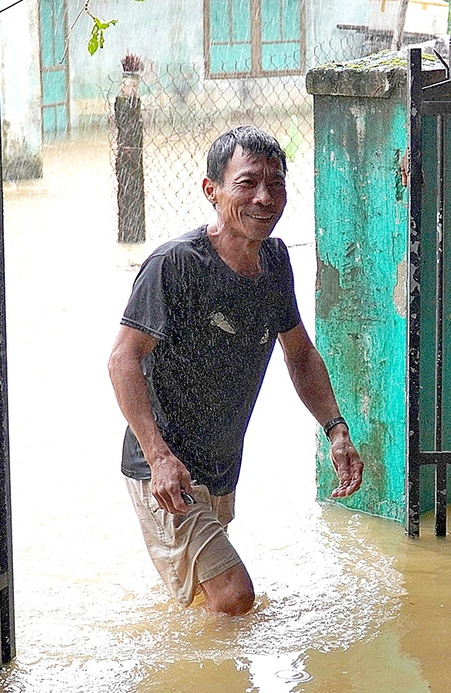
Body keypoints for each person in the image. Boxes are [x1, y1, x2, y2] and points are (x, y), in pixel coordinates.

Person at [108, 126, 364, 616]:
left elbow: (300, 353)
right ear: (212, 191)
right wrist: (159, 456)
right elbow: (122, 357)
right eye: (247, 183)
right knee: (234, 598)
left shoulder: (274, 261)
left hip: (222, 468)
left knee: (204, 605)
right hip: (164, 468)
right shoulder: (174, 264)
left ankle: (189, 681)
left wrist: (335, 430)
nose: (265, 198)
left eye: (276, 183)